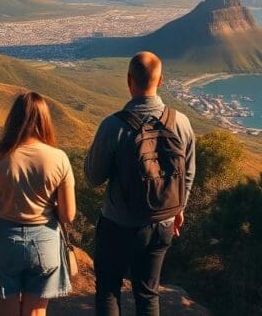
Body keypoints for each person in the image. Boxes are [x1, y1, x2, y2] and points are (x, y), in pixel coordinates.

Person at [84, 51, 196, 316]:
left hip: (119, 224)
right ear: (160, 81)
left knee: (109, 290)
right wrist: (178, 210)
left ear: (128, 80)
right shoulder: (181, 122)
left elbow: (93, 178)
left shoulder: (113, 126)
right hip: (163, 225)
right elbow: (188, 174)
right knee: (148, 293)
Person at [0, 92, 76, 316]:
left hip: (3, 242)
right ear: (44, 120)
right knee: (36, 313)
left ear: (13, 119)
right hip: (45, 242)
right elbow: (68, 215)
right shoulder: (59, 158)